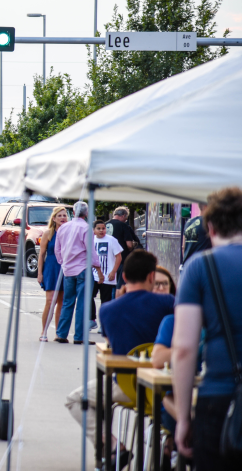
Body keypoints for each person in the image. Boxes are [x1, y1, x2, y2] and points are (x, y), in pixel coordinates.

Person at [65, 250, 174, 462]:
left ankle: (112, 445)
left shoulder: (107, 310)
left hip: (127, 387)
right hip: (163, 387)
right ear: (152, 276)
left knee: (75, 400)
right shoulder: (168, 303)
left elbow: (110, 342)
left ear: (124, 277)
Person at [173, 187, 242, 469]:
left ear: (210, 228)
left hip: (219, 399)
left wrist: (182, 419)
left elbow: (184, 349)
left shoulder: (199, 267)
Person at [54, 201, 101, 345]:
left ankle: (61, 334)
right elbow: (91, 252)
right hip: (83, 269)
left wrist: (63, 262)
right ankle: (79, 336)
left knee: (68, 302)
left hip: (68, 269)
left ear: (73, 212)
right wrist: (98, 268)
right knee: (82, 303)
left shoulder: (63, 228)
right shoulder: (86, 228)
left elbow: (58, 249)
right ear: (86, 213)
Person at [37, 206, 68, 341]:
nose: (62, 218)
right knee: (50, 301)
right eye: (60, 215)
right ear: (54, 218)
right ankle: (43, 332)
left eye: (64, 215)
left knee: (61, 302)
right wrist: (39, 273)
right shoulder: (47, 233)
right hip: (51, 268)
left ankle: (58, 332)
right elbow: (41, 254)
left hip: (65, 268)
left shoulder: (68, 233)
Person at [92, 219, 124, 324]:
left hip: (107, 275)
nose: (101, 230)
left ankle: (104, 323)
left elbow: (118, 257)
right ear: (93, 230)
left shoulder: (112, 240)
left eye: (103, 228)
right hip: (94, 275)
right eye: (99, 228)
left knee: (105, 300)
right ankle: (91, 319)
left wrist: (113, 271)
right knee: (88, 296)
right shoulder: (91, 240)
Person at [106, 206, 140, 291]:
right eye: (126, 218)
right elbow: (129, 244)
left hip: (106, 260)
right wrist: (132, 247)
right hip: (120, 260)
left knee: (107, 288)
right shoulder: (123, 226)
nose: (126, 220)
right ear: (123, 215)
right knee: (118, 286)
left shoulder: (104, 225)